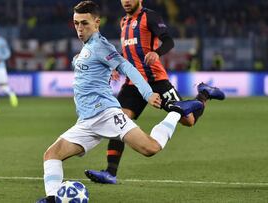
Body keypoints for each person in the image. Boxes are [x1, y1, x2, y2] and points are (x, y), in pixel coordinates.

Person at [36, 1, 203, 202]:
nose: (80, 28)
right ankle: (53, 198)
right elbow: (90, 65)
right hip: (86, 121)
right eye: (76, 23)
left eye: (85, 23)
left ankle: (177, 111)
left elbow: (128, 67)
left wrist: (147, 93)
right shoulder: (87, 49)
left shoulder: (100, 45)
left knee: (150, 148)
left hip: (106, 114)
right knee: (51, 154)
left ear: (96, 23)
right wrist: (78, 60)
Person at [84, 0, 225, 184]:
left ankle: (204, 93)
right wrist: (114, 66)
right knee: (118, 120)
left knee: (188, 120)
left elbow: (169, 40)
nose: (126, 1)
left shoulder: (150, 17)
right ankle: (110, 172)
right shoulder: (123, 22)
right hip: (133, 83)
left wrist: (157, 53)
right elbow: (127, 52)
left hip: (156, 81)